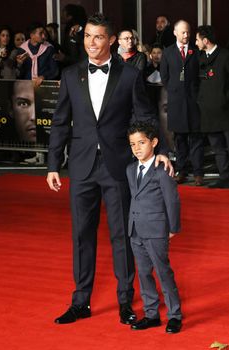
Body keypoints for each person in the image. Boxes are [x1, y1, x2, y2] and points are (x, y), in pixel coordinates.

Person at [47, 13, 173, 326]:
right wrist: (52, 165)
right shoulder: (70, 74)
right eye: (88, 36)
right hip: (81, 166)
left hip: (119, 166)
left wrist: (159, 152)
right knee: (81, 236)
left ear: (111, 40)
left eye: (98, 37)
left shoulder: (129, 75)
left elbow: (144, 117)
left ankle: (124, 302)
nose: (91, 43)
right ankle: (81, 302)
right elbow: (61, 122)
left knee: (122, 237)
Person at [126, 120, 182, 333]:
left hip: (156, 230)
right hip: (135, 229)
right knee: (143, 273)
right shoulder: (130, 169)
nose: (137, 148)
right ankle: (151, 314)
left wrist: (173, 228)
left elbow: (172, 200)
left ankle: (174, 314)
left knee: (163, 271)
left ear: (154, 142)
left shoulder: (162, 171)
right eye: (133, 144)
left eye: (141, 142)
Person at [160, 20, 204, 186]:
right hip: (176, 102)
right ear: (175, 33)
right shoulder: (168, 52)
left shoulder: (196, 51)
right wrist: (174, 89)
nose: (186, 35)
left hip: (194, 102)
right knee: (180, 140)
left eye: (188, 32)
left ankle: (198, 173)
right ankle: (181, 170)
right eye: (183, 32)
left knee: (196, 139)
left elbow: (201, 75)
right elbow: (164, 77)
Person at [195, 25, 229, 188]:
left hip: (226, 111)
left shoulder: (225, 55)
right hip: (208, 113)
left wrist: (225, 100)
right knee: (218, 148)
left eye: (197, 39)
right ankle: (224, 177)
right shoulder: (200, 58)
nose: (196, 43)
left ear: (205, 40)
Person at [17, 22, 58, 86]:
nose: (44, 36)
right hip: (26, 87)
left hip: (44, 85)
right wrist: (20, 64)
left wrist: (44, 76)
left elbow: (54, 70)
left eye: (44, 33)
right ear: (32, 35)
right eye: (40, 33)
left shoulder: (49, 49)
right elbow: (19, 74)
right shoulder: (22, 50)